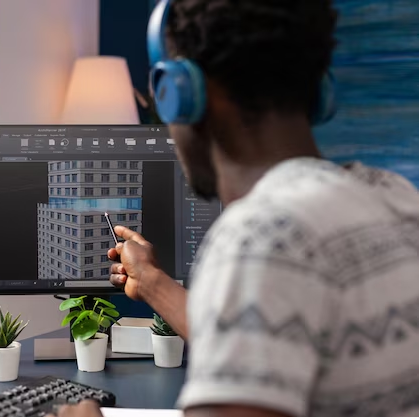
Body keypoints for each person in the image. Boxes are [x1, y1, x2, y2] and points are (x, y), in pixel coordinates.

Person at [52, 0, 419, 416]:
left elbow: (268, 265)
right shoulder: (393, 196)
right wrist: (152, 281)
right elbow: (265, 331)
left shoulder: (263, 236)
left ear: (179, 93)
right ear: (320, 93)